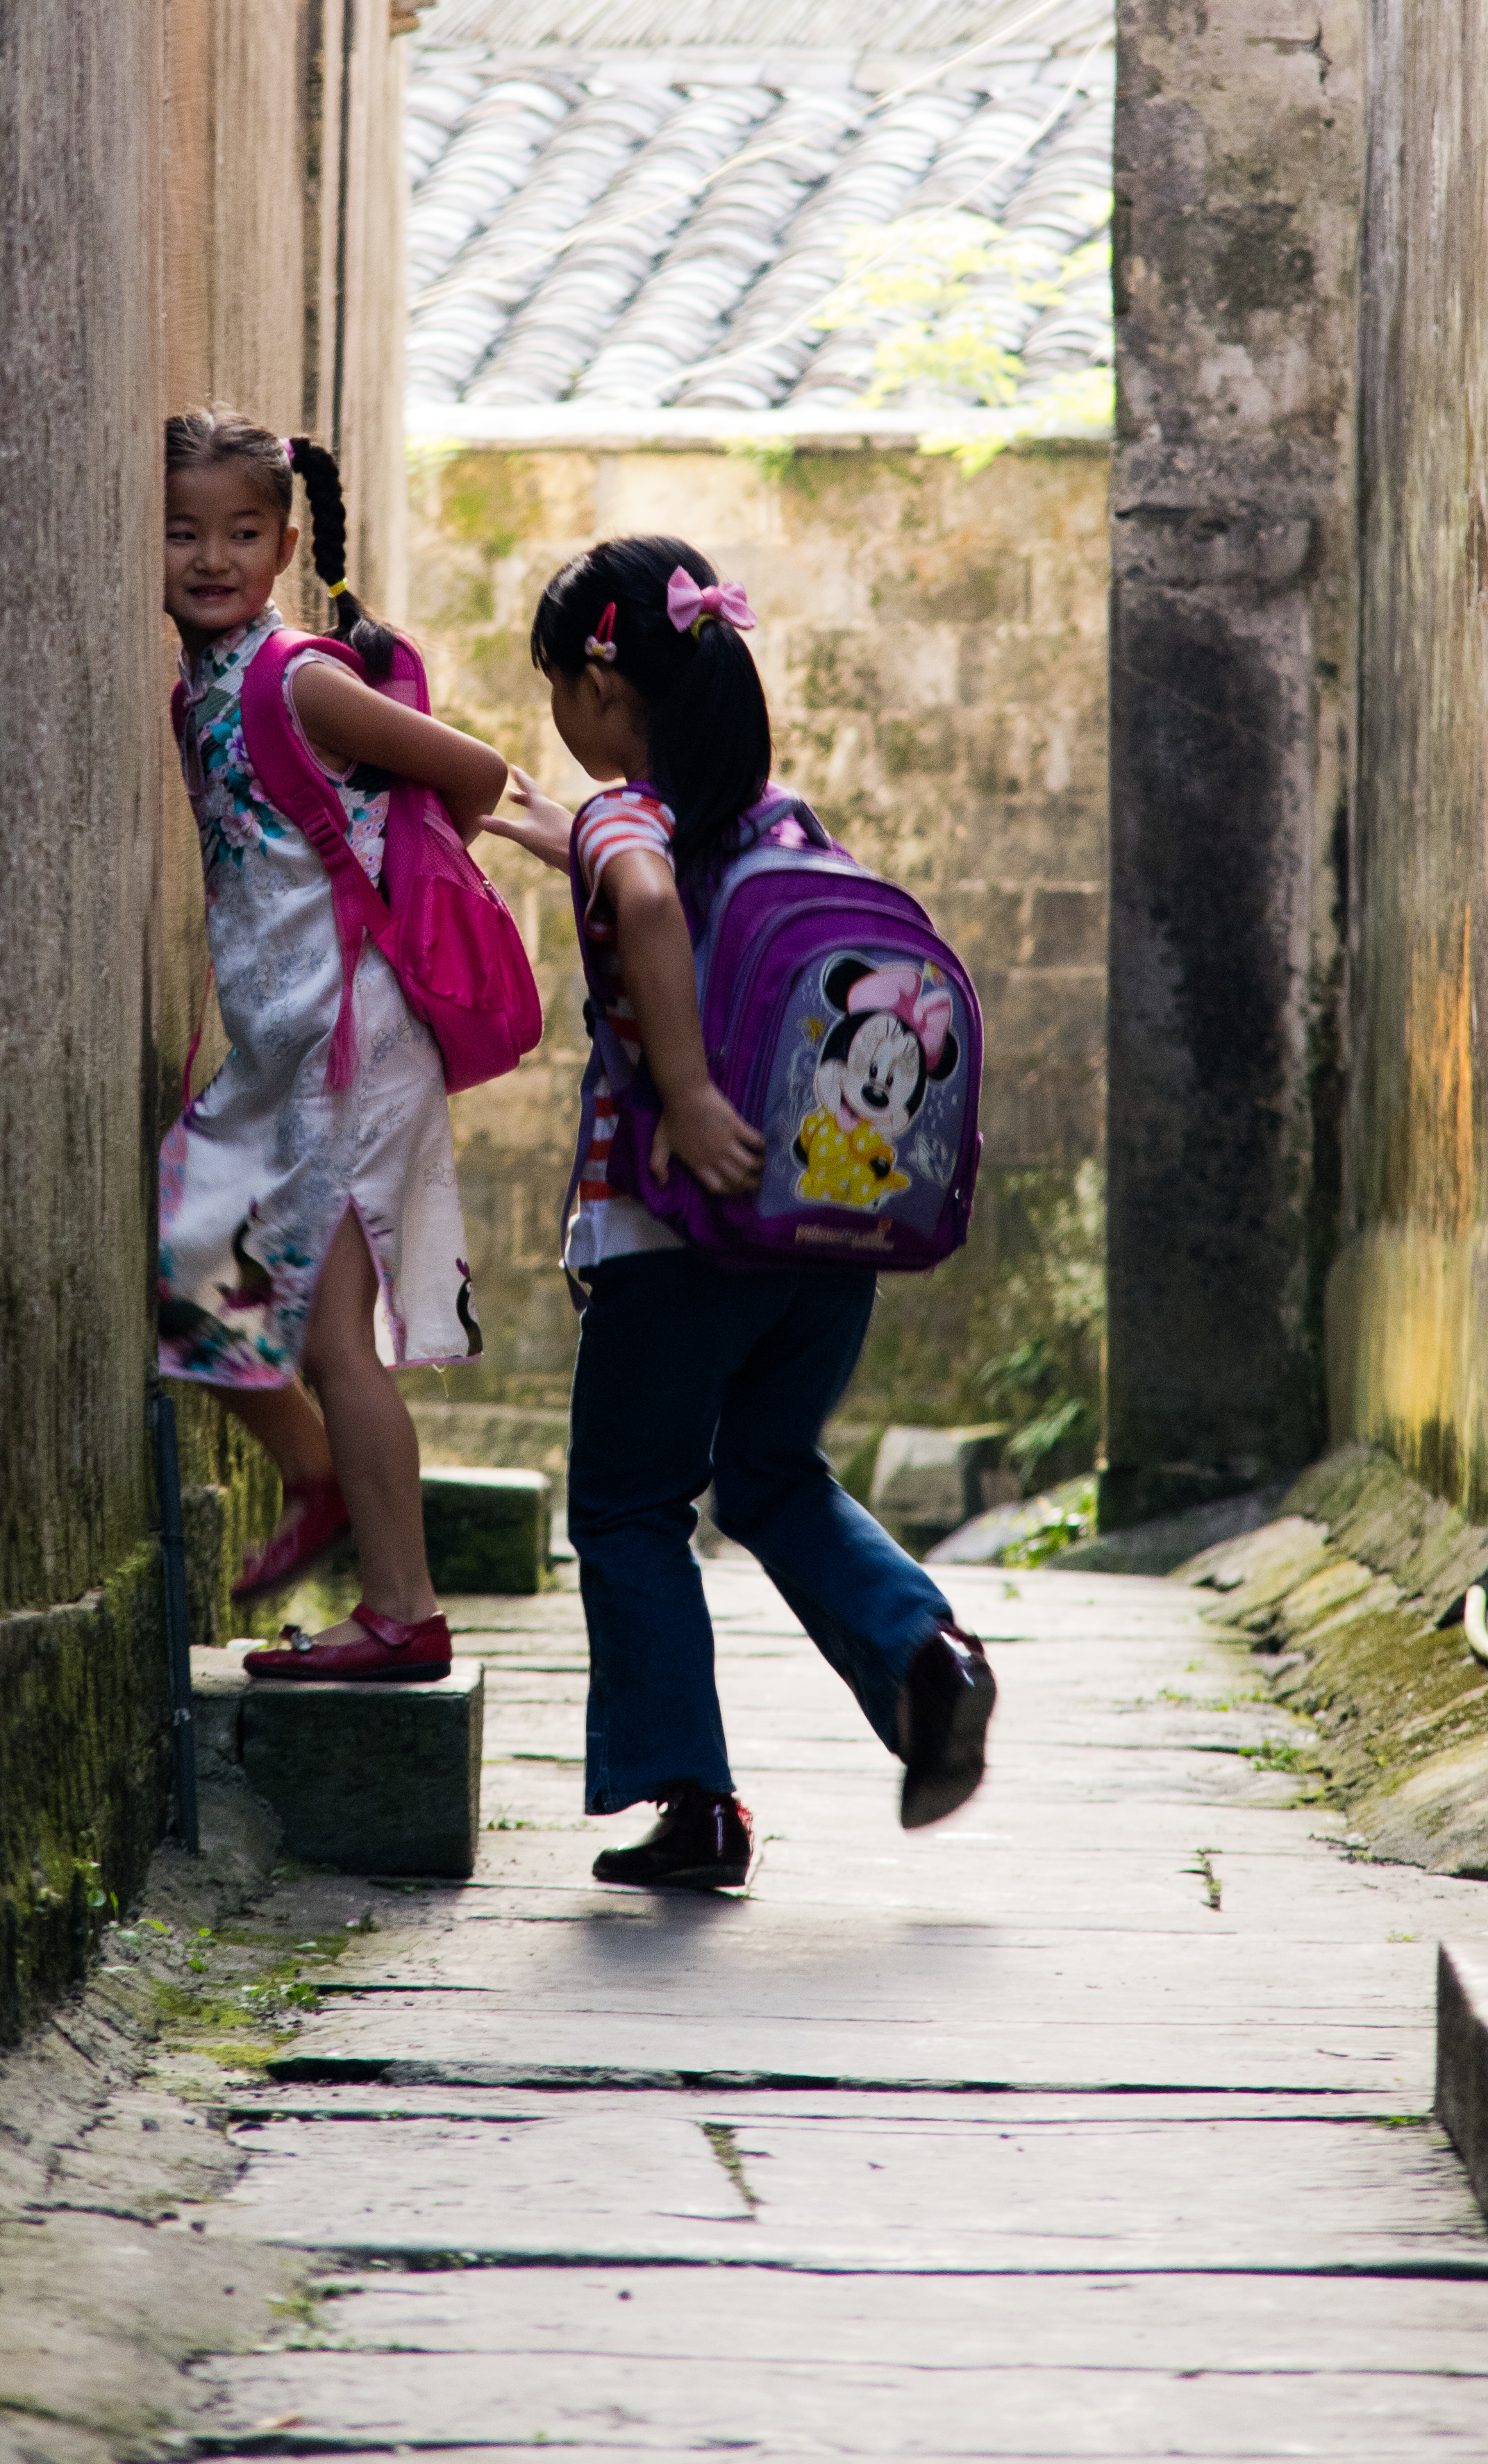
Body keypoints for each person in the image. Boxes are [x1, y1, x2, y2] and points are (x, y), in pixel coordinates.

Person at [484, 533, 996, 1886]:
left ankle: (694, 1802)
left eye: (557, 685)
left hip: (676, 1238)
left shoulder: (628, 826)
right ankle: (925, 1653)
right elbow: (669, 868)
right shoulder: (784, 822)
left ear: (601, 688)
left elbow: (650, 893)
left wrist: (691, 1092)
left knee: (629, 1506)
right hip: (820, 1238)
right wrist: (557, 831)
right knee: (769, 1472)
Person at [157, 408, 508, 1684]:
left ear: (287, 546)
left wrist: (401, 865)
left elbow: (476, 771)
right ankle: (315, 1477)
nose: (211, 557)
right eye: (183, 531)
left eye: (242, 532)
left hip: (354, 1042)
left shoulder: (298, 680)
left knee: (333, 1336)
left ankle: (403, 1611)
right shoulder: (198, 689)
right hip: (283, 1050)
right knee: (196, 1257)